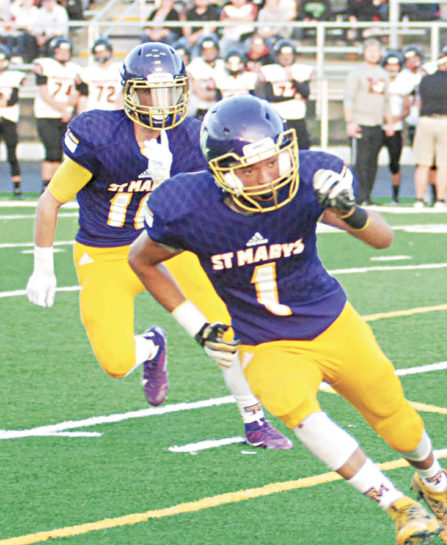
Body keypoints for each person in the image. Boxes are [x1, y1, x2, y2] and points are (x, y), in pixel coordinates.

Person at [129, 95, 447, 545]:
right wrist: (195, 325)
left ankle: (435, 484)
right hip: (265, 341)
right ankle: (396, 505)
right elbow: (142, 259)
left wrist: (349, 210)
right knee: (293, 408)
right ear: (219, 171)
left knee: (399, 424)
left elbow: (383, 239)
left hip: (332, 323)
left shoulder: (308, 181)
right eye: (248, 169)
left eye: (272, 161)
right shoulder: (188, 205)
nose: (265, 176)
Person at [24, 43, 291, 450]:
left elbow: (205, 205)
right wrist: (43, 266)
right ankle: (151, 346)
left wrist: (170, 184)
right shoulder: (100, 136)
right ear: (130, 92)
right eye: (151, 92)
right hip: (106, 254)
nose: (161, 102)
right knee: (116, 363)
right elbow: (51, 200)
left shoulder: (189, 137)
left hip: (166, 248)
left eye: (170, 91)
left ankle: (253, 417)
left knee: (224, 330)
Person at [412, 45, 447, 207]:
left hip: (426, 120)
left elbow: (419, 101)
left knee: (423, 164)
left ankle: (419, 199)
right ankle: (440, 199)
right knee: (443, 164)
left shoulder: (425, 80)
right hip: (446, 121)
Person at [344, 38, 391, 205]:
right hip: (360, 122)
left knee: (372, 162)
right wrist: (350, 122)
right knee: (360, 162)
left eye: (376, 51)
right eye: (369, 50)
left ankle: (367, 196)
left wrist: (389, 122)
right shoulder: (356, 73)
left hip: (376, 124)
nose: (372, 54)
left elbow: (386, 101)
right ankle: (358, 195)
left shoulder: (384, 75)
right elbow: (349, 99)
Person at [32, 35, 79, 190]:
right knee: (51, 151)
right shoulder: (45, 64)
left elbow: (78, 92)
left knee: (60, 153)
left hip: (64, 116)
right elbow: (44, 93)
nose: (64, 53)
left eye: (66, 50)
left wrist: (68, 108)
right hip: (46, 114)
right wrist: (62, 108)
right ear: (54, 50)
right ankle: (45, 187)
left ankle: (55, 187)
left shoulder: (75, 69)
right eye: (60, 50)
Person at [257, 38, 311, 148]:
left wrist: (293, 80)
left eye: (289, 55)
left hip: (297, 115)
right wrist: (293, 97)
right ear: (278, 55)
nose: (286, 58)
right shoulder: (269, 70)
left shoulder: (301, 70)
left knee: (302, 148)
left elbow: (305, 93)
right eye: (283, 55)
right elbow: (271, 97)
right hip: (278, 116)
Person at [381, 49, 410, 203]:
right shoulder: (379, 81)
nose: (392, 68)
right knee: (369, 162)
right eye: (389, 65)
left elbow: (407, 108)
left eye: (395, 65)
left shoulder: (402, 84)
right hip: (379, 126)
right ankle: (364, 195)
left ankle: (395, 196)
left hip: (396, 127)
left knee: (394, 163)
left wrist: (394, 119)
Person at [78, 37, 123, 113]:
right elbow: (83, 97)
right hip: (93, 113)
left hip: (113, 112)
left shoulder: (120, 69)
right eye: (98, 52)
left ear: (109, 52)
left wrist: (118, 110)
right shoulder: (87, 71)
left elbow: (123, 95)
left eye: (103, 52)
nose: (101, 54)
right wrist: (81, 115)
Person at [0, 44, 22, 198]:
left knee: (12, 154)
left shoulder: (14, 76)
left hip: (9, 118)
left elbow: (12, 100)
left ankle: (17, 187)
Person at [187, 33, 222, 119]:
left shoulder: (222, 65)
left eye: (212, 49)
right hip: (201, 110)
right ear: (201, 51)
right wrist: (220, 95)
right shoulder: (196, 64)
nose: (209, 53)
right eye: (205, 50)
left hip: (220, 108)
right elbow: (200, 94)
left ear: (216, 50)